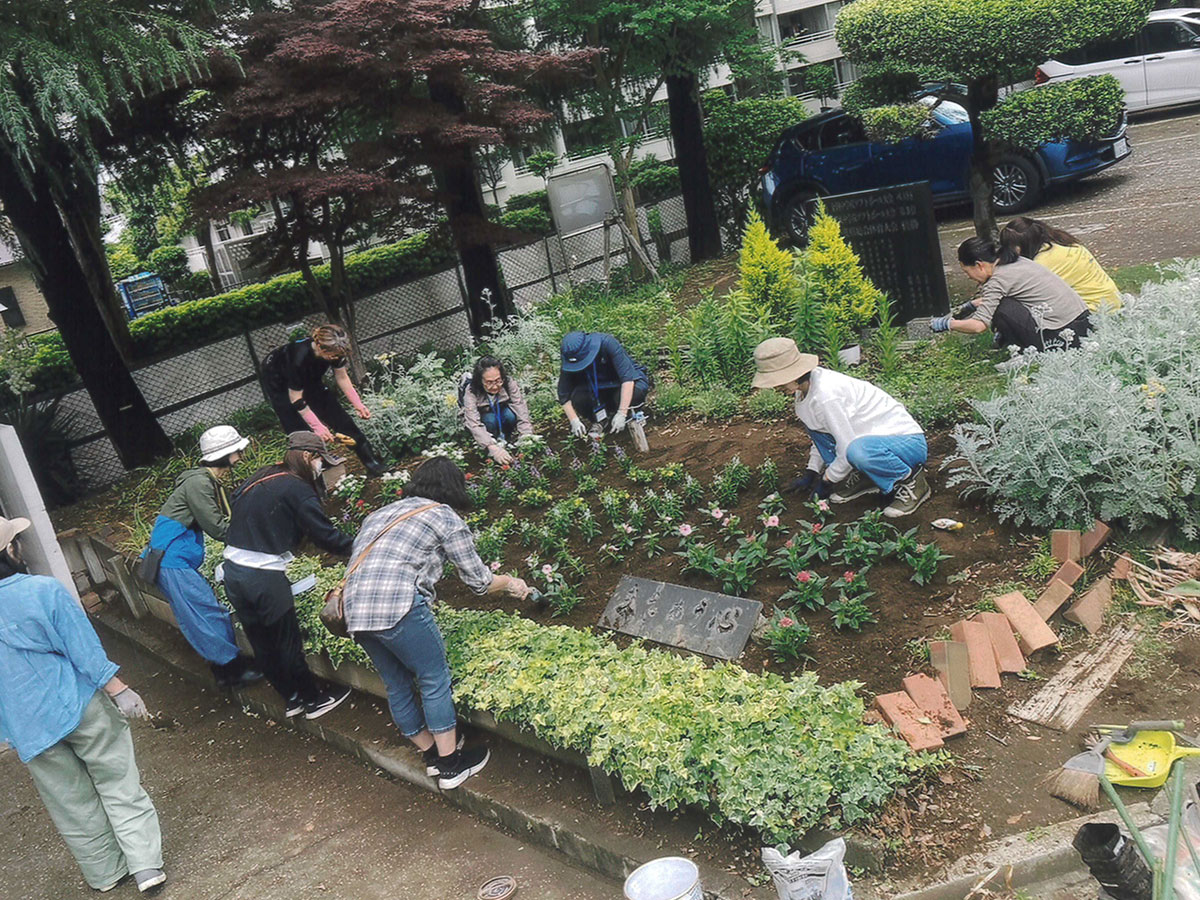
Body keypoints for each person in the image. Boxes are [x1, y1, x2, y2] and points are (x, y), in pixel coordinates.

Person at [0, 516, 166, 893]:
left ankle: (106, 874)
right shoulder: (43, 591)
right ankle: (145, 867)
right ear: (11, 551)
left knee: (71, 804)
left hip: (28, 726)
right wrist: (119, 689)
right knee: (117, 782)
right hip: (76, 703)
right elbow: (83, 649)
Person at [343, 457, 530, 789]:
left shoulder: (381, 513)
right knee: (433, 677)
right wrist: (511, 582)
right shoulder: (443, 515)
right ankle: (450, 766)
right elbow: (479, 582)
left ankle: (431, 754)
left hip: (354, 609)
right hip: (398, 604)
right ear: (452, 487)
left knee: (396, 683)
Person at [222, 431, 355, 720]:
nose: (322, 467)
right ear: (309, 457)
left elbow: (237, 499)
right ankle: (312, 700)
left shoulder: (265, 474)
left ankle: (291, 697)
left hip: (232, 571)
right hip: (263, 576)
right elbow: (324, 535)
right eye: (321, 460)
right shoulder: (298, 489)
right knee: (286, 639)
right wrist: (360, 547)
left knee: (261, 640)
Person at [752, 338, 930, 518]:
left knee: (857, 451)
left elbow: (846, 448)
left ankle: (912, 481)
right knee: (829, 437)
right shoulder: (803, 392)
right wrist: (812, 471)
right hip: (872, 443)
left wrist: (826, 481)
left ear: (794, 373)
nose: (775, 387)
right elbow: (820, 434)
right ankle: (868, 478)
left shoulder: (826, 395)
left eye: (778, 381)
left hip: (906, 443)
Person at [143, 425, 262, 688]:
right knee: (206, 613)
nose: (241, 454)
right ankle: (232, 671)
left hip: (174, 559)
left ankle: (226, 670)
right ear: (225, 454)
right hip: (171, 561)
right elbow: (216, 526)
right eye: (237, 450)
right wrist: (256, 539)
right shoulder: (199, 483)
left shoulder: (205, 480)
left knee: (202, 612)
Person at [261, 324, 388, 476]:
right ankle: (312, 472)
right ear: (321, 348)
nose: (336, 359)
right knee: (300, 430)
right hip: (278, 381)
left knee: (339, 416)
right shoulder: (298, 359)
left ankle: (371, 463)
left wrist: (358, 404)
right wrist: (317, 427)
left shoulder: (336, 351)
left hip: (311, 380)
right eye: (333, 356)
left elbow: (342, 377)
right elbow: (296, 398)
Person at [932, 237, 1091, 353]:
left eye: (967, 271)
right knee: (1002, 303)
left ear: (979, 265)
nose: (968, 277)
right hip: (1084, 326)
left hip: (1063, 337)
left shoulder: (997, 280)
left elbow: (979, 325)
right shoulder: (1014, 261)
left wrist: (946, 324)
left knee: (1002, 308)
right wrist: (971, 305)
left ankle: (1027, 353)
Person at [1000, 216, 1122, 313]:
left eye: (1010, 247)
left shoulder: (1041, 263)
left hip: (1094, 312)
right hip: (1113, 301)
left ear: (1025, 245)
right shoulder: (1064, 242)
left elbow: (1016, 293)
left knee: (1012, 306)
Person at [558, 330, 650, 438]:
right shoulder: (569, 355)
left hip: (621, 384)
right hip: (596, 389)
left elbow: (627, 380)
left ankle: (631, 414)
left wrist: (622, 413)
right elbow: (563, 394)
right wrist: (574, 420)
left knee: (632, 394)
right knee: (579, 398)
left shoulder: (607, 343)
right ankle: (601, 420)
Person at [460, 356, 534, 465]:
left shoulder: (508, 383)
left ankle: (507, 438)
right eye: (489, 382)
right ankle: (493, 441)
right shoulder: (471, 391)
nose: (495, 386)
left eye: (498, 381)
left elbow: (520, 408)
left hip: (502, 413)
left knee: (510, 415)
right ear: (480, 381)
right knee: (490, 420)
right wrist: (492, 447)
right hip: (485, 418)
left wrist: (526, 436)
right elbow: (473, 423)